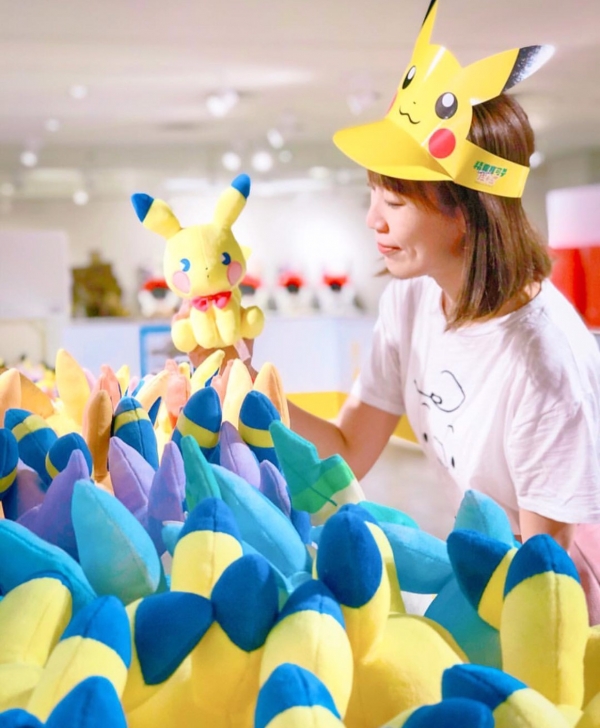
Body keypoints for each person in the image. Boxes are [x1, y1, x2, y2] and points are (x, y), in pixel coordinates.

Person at [179, 0, 600, 621]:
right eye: (372, 193)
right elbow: (348, 449)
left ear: (467, 213)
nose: (373, 220)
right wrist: (242, 375)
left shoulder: (543, 367)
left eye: (396, 202)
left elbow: (547, 580)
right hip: (492, 572)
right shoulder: (412, 298)